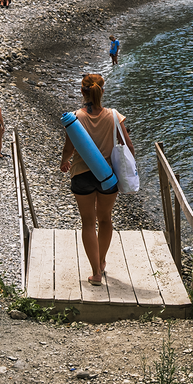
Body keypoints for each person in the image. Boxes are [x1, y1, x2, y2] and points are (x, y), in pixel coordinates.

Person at [59, 74, 135, 286]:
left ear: (82, 92)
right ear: (102, 90)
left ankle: (95, 273)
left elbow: (69, 148)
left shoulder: (75, 118)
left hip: (82, 175)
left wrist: (64, 162)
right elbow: (128, 146)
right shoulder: (114, 116)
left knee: (88, 222)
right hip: (108, 176)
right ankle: (101, 261)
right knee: (105, 220)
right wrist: (131, 170)